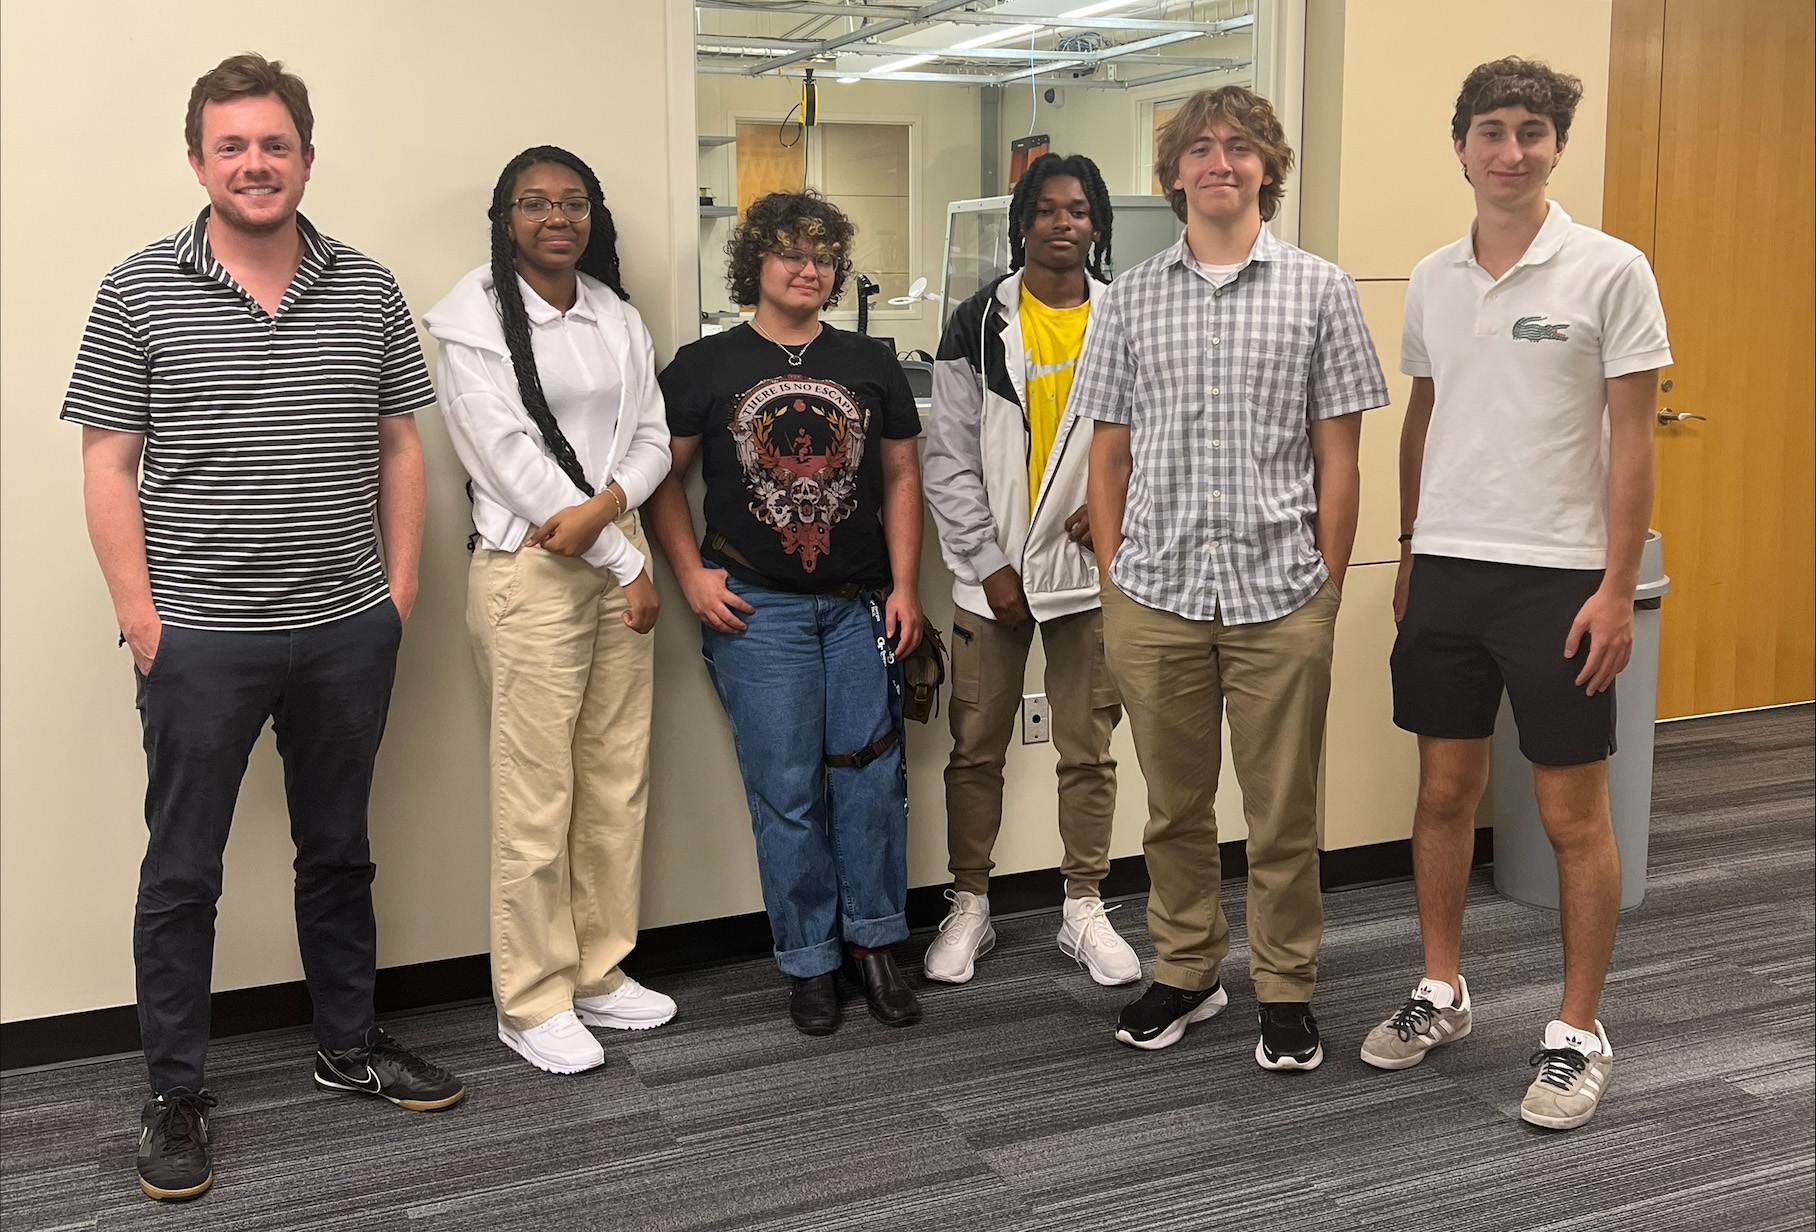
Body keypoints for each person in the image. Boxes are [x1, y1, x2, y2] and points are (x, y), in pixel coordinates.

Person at [62, 54, 464, 1204]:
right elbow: (106, 463)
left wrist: (394, 596)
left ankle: (349, 1046)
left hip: (346, 628)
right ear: (198, 161)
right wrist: (146, 622)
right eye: (231, 145)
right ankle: (175, 1089)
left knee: (339, 849)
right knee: (183, 870)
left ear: (306, 155)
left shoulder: (368, 287)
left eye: (274, 143)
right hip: (200, 637)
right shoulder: (137, 288)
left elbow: (399, 443)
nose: (254, 163)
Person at [1360, 59, 1669, 1131]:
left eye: (1530, 131)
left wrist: (1616, 584)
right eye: (1488, 130)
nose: (1509, 150)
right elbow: (1422, 417)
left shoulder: (1609, 269)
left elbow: (1632, 441)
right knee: (1443, 791)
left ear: (1554, 146)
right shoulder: (1434, 276)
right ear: (1459, 147)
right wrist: (1408, 547)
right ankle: (1441, 988)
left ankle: (1578, 1031)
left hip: (1559, 582)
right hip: (1445, 568)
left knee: (1566, 812)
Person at [1075, 86, 1388, 1069]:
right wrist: (1117, 576)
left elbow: (1339, 457)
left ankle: (1286, 987)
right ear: (1172, 174)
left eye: (1241, 147)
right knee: (1173, 809)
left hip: (1279, 598)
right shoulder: (1128, 297)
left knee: (1284, 812)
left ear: (1267, 168)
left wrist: (1324, 587)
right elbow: (1107, 455)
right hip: (1154, 597)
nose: (1221, 161)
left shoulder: (1322, 289)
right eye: (1201, 148)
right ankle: (1187, 967)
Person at [646, 191, 926, 1037]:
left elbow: (903, 479)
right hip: (754, 612)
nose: (809, 268)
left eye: (824, 255)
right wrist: (690, 574)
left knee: (871, 780)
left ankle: (873, 945)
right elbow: (658, 474)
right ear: (754, 266)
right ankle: (808, 959)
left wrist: (906, 589)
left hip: (856, 606)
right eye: (790, 253)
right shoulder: (704, 365)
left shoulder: (869, 360)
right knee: (789, 791)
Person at [424, 146, 676, 1076]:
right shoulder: (472, 321)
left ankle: (599, 973)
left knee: (615, 777)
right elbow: (504, 460)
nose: (556, 218)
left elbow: (649, 435)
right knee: (537, 795)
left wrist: (611, 516)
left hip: (617, 560)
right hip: (530, 573)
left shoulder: (615, 314)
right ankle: (530, 999)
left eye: (572, 203)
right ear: (506, 218)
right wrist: (620, 555)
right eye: (534, 204)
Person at [920, 153, 1136, 988]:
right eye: (1046, 211)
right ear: (1021, 223)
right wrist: (988, 564)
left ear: (1096, 224)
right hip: (993, 577)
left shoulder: (1128, 318)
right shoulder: (976, 323)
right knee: (975, 748)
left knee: (1090, 749)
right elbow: (948, 462)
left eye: (1078, 211)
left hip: (1092, 575)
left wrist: (1116, 503)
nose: (1062, 224)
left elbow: (1155, 437)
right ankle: (970, 901)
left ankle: (1083, 905)